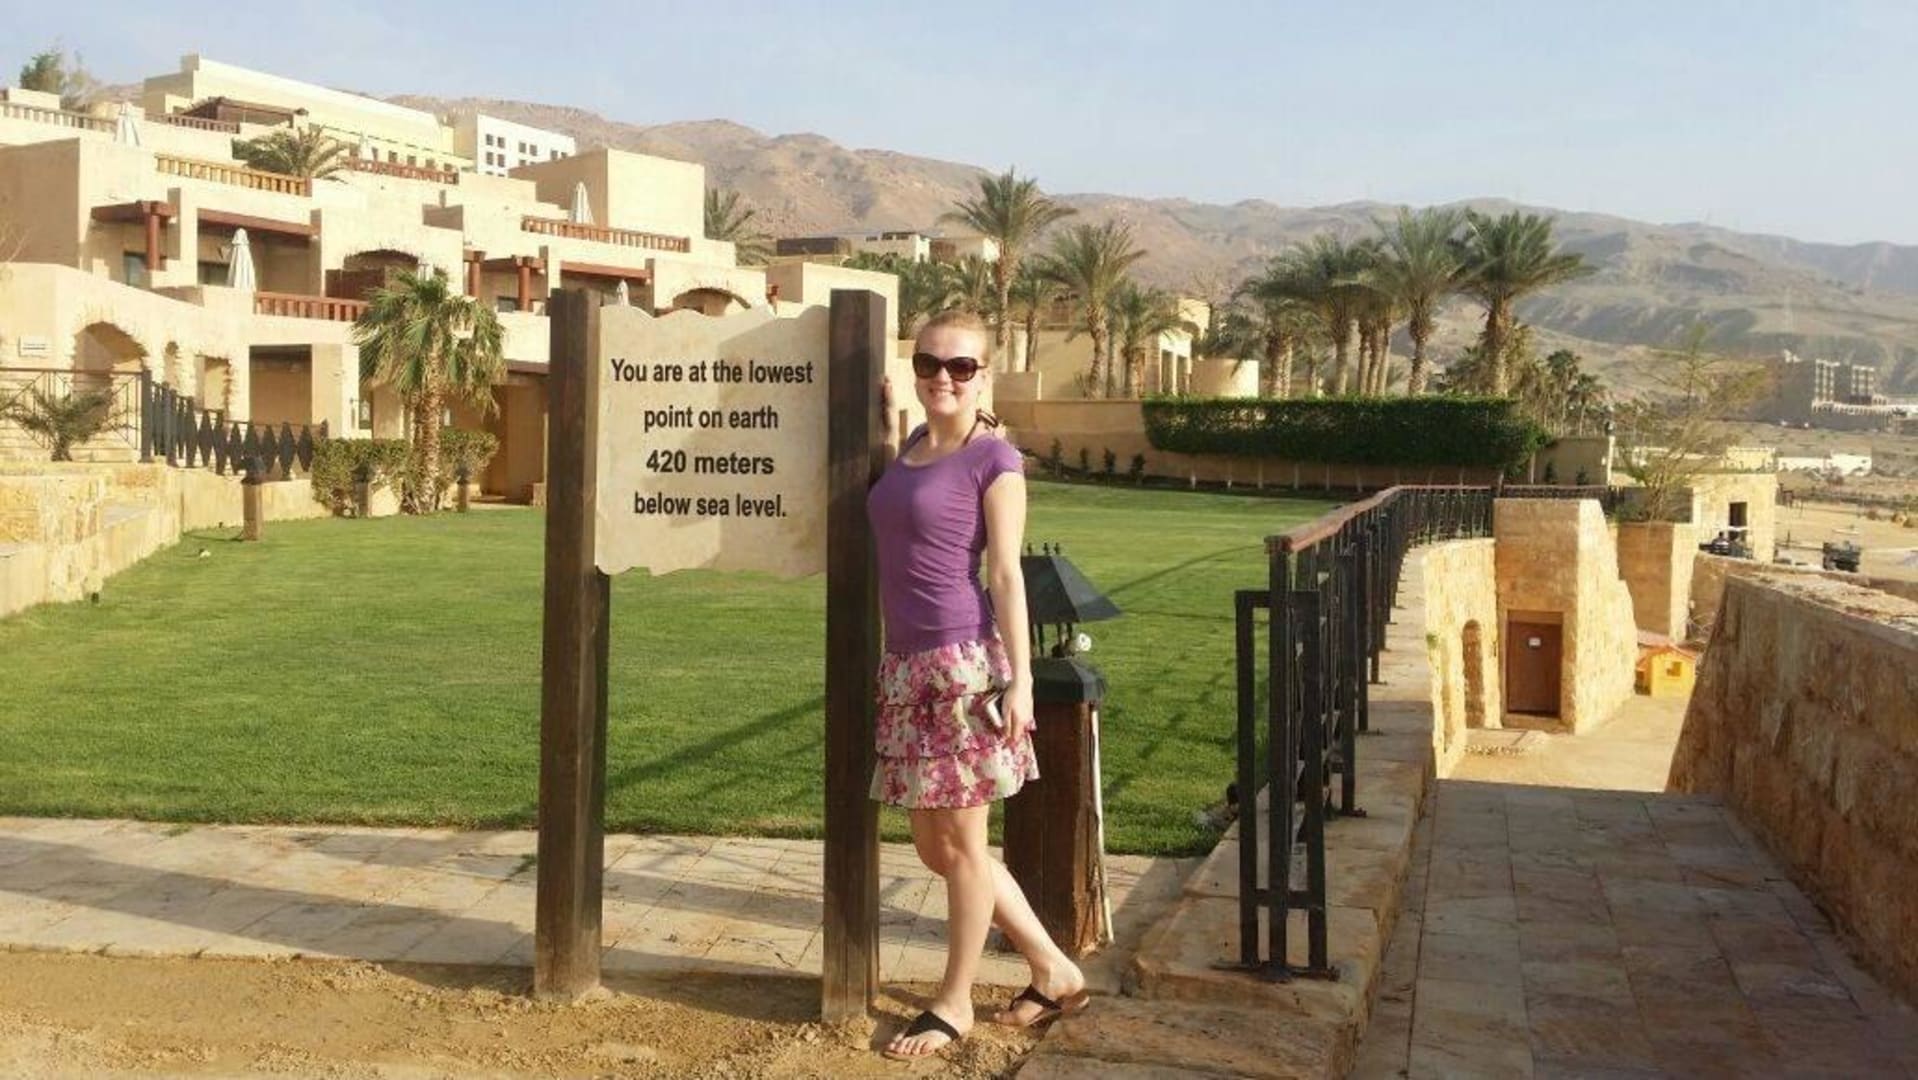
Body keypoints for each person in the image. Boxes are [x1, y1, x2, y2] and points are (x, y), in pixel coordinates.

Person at [867, 310, 1088, 1060]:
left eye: (960, 367)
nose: (944, 377)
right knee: (937, 848)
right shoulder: (911, 447)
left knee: (962, 846)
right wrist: (886, 421)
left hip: (962, 667)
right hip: (906, 667)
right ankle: (1054, 969)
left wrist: (1020, 681)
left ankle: (954, 1001)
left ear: (983, 375)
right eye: (930, 363)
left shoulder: (996, 460)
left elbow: (1005, 575)